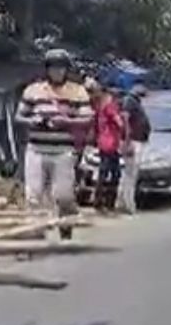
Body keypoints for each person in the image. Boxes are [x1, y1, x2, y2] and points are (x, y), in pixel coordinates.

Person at [17, 49, 93, 237]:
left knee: (63, 195)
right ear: (47, 70)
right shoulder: (33, 90)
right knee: (33, 195)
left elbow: (88, 119)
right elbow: (19, 116)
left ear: (66, 70)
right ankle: (35, 231)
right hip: (36, 148)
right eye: (53, 68)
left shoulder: (77, 92)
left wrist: (67, 122)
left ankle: (66, 226)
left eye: (60, 68)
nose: (57, 72)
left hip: (63, 150)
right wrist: (32, 121)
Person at [88, 80, 128, 213]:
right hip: (110, 143)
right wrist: (124, 125)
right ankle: (106, 202)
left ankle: (100, 201)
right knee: (113, 174)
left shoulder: (100, 106)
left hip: (103, 142)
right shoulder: (110, 106)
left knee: (104, 172)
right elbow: (119, 122)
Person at [118, 83, 151, 214]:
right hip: (133, 141)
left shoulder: (135, 101)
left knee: (129, 173)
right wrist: (127, 140)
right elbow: (125, 120)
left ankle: (123, 201)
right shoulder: (129, 101)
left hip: (136, 140)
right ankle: (128, 204)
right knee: (130, 174)